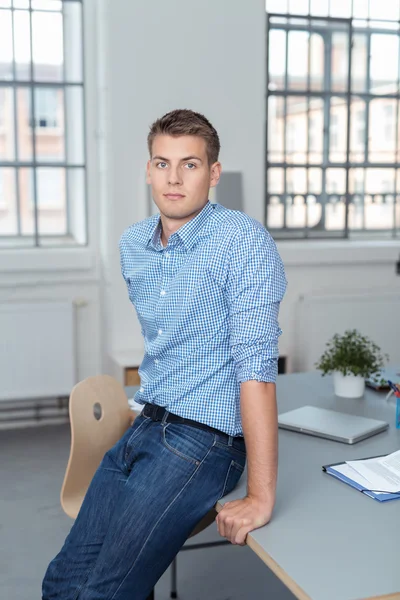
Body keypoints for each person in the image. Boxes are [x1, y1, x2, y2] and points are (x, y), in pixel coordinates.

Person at [42, 109, 287, 600]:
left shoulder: (243, 243)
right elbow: (167, 346)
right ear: (148, 168)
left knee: (105, 593)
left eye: (190, 165)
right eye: (162, 163)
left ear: (213, 173)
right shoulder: (134, 245)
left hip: (205, 442)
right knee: (61, 583)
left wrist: (260, 496)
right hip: (147, 424)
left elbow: (256, 373)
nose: (173, 178)